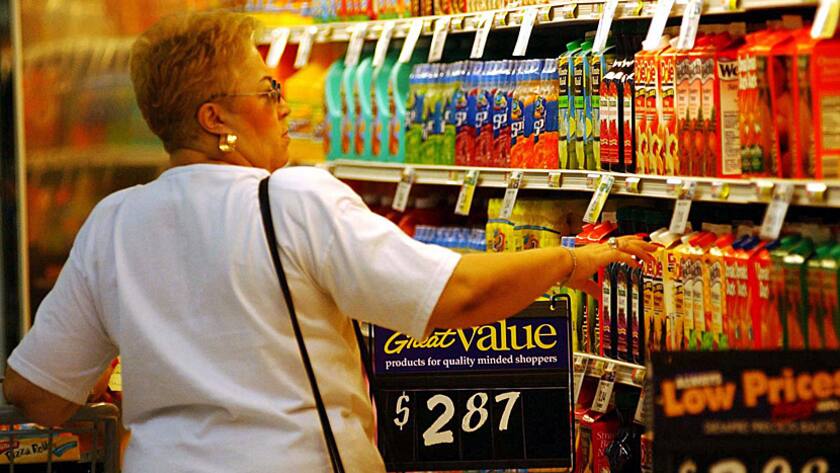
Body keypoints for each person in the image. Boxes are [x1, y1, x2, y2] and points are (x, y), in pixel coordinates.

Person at [3, 10, 656, 473]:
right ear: (215, 118)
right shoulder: (292, 200)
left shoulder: (114, 221)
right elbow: (451, 297)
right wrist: (568, 260)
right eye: (268, 90)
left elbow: (35, 393)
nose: (286, 105)